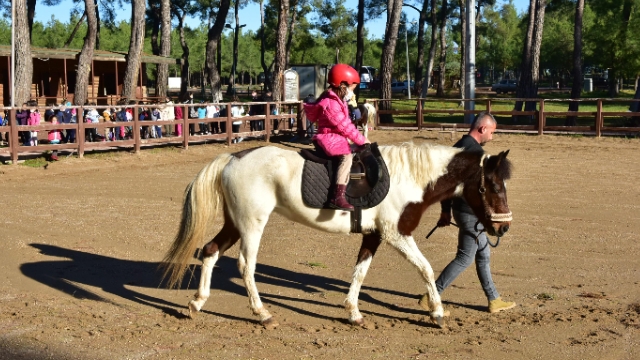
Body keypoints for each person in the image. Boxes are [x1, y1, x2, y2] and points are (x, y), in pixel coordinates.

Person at [434, 112, 516, 314]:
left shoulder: (458, 147)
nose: (492, 137)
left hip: (461, 210)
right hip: (470, 213)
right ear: (482, 129)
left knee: (483, 255)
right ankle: (432, 295)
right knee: (464, 258)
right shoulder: (476, 156)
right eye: (492, 132)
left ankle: (494, 299)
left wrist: (446, 212)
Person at [303, 64, 370, 211]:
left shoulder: (336, 100)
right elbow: (344, 126)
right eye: (352, 89)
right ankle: (337, 196)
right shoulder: (331, 103)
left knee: (354, 149)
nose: (352, 93)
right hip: (328, 137)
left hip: (334, 137)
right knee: (346, 156)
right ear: (342, 85)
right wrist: (361, 139)